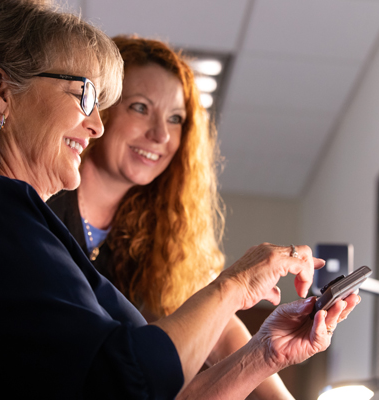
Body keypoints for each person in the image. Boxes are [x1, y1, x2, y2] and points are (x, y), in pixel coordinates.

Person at [0, 1, 359, 399]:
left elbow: (141, 389)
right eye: (83, 95)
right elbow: (127, 382)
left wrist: (267, 352)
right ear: (0, 93)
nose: (95, 125)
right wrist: (234, 285)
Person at [48, 36, 297, 398]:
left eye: (176, 118)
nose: (160, 134)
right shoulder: (41, 200)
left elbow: (222, 329)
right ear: (99, 108)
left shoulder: (158, 236)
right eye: (140, 107)